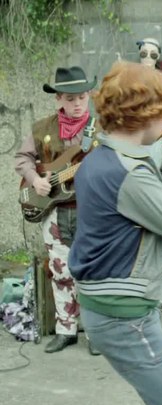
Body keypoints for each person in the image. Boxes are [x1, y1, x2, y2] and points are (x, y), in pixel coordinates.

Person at [67, 61, 162, 405]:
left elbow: (139, 214)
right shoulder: (131, 174)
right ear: (146, 114)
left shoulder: (96, 161)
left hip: (103, 309)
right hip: (124, 318)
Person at [14, 66, 101, 354]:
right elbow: (23, 159)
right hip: (54, 211)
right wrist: (35, 179)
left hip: (90, 212)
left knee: (91, 273)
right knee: (60, 270)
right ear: (58, 99)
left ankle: (94, 333)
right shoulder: (42, 128)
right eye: (70, 98)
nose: (77, 104)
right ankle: (66, 331)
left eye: (82, 97)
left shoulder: (102, 131)